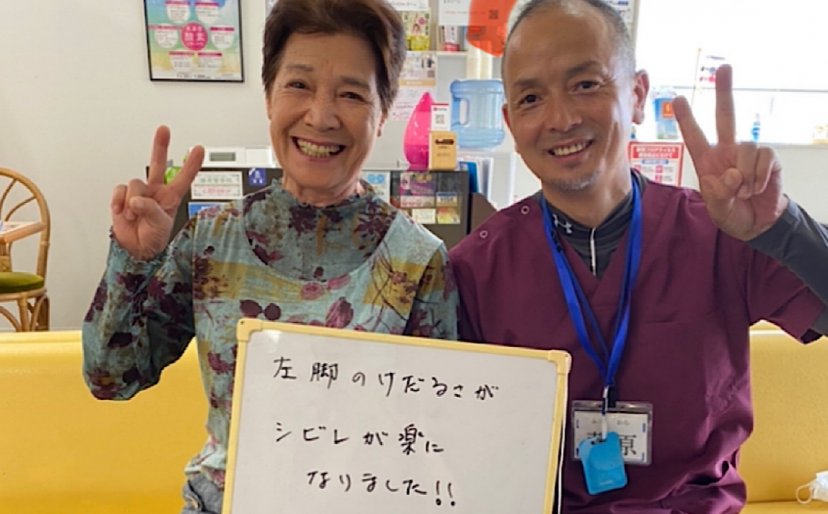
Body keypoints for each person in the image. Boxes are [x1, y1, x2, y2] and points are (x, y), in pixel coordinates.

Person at [449, 0, 828, 512]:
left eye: (585, 84)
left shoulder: (723, 234)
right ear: (510, 122)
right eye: (531, 98)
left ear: (637, 94)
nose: (560, 118)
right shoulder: (476, 268)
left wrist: (782, 229)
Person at [82, 0, 458, 512]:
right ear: (268, 98)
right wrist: (133, 260)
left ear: (383, 114)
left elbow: (437, 434)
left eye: (351, 94)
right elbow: (111, 378)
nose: (320, 116)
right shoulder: (213, 238)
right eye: (298, 85)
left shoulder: (418, 260)